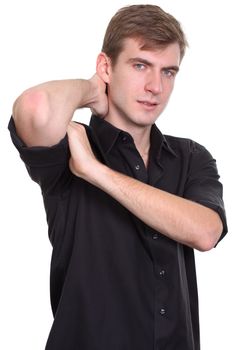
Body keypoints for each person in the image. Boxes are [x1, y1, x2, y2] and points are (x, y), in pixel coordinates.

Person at [9, 4, 227, 350]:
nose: (156, 86)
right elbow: (35, 106)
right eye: (140, 65)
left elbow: (206, 232)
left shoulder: (190, 157)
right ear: (106, 66)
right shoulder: (73, 146)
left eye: (168, 72)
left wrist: (97, 173)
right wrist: (92, 91)